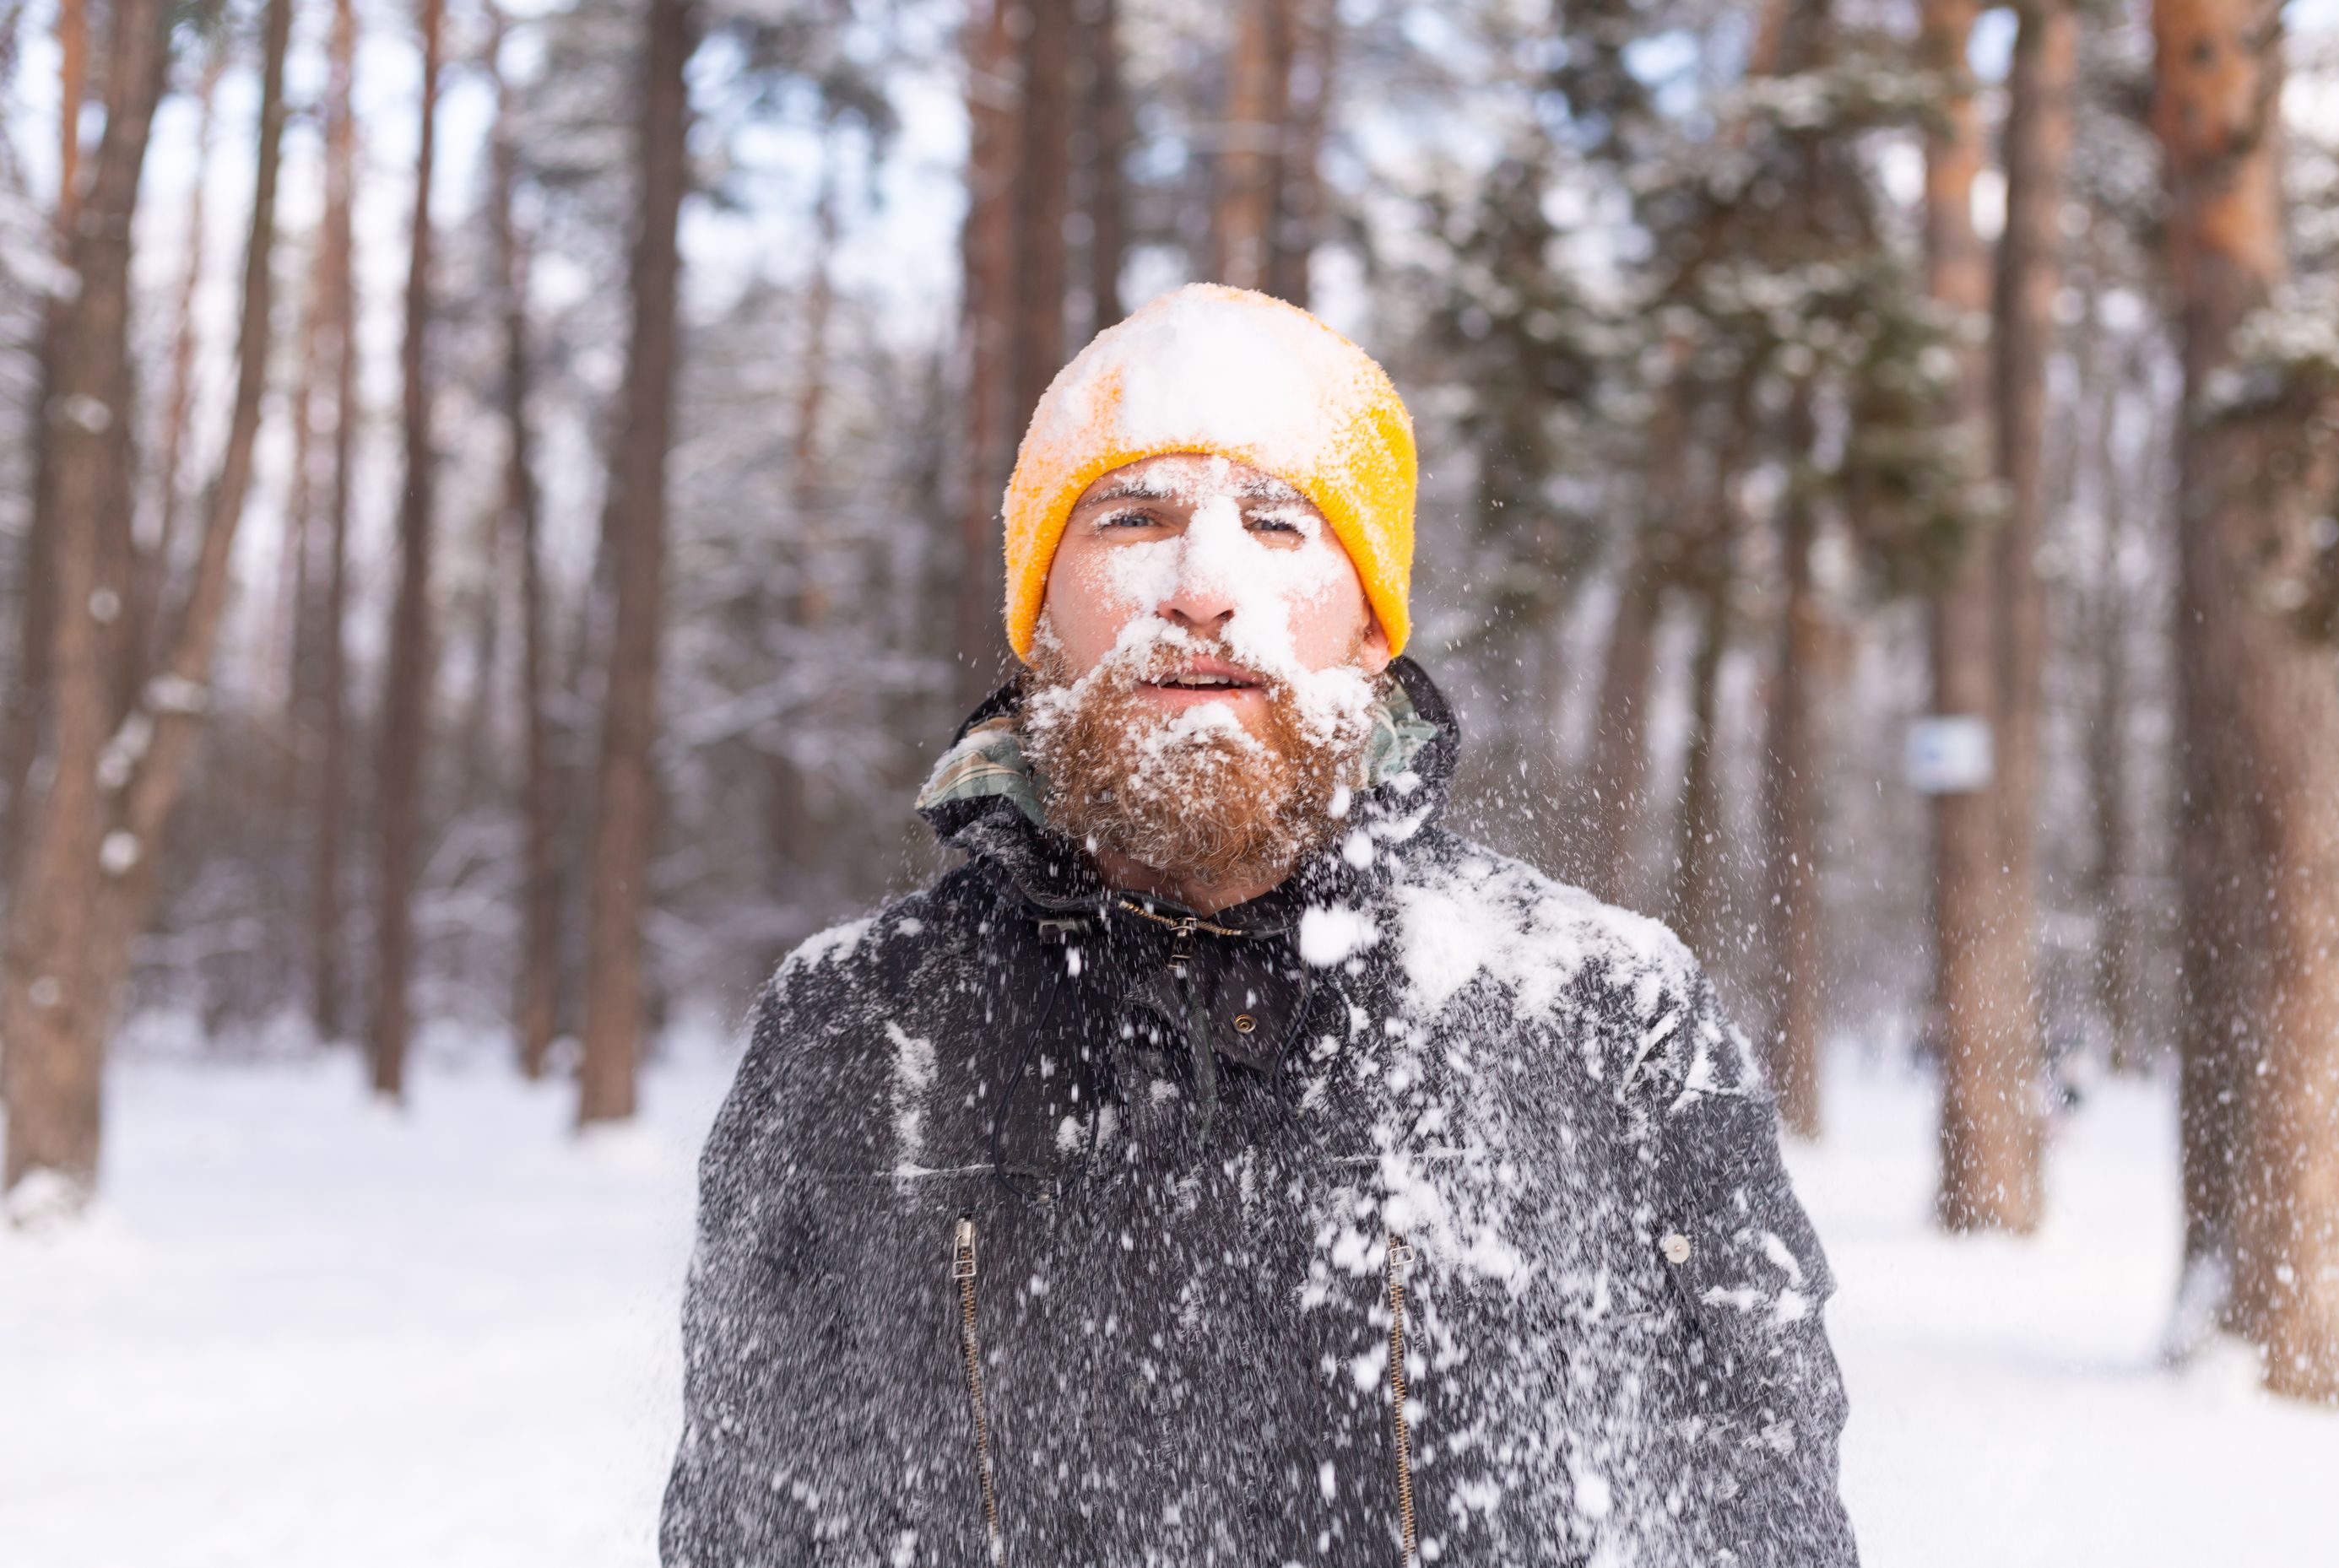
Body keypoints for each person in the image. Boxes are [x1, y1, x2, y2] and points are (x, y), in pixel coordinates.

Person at [659, 284, 1859, 1565]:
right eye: (1134, 517)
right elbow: (749, 1525)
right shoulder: (854, 1026)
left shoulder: (1603, 1010)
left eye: (1280, 524)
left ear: (1370, 622)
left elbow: (1757, 1518)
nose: (1205, 586)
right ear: (1042, 611)